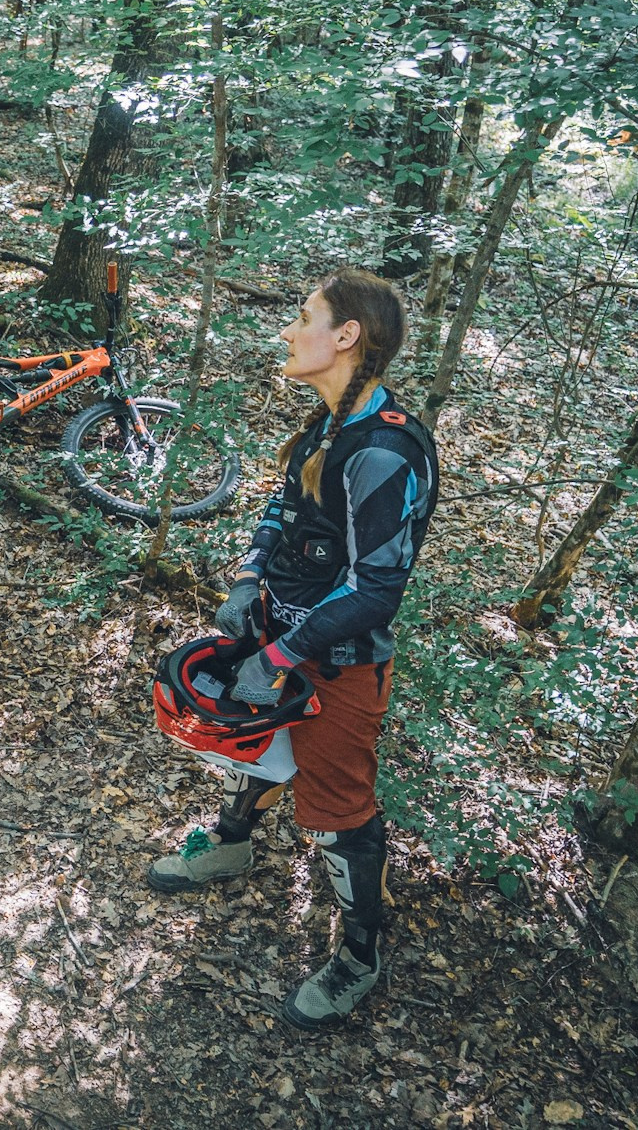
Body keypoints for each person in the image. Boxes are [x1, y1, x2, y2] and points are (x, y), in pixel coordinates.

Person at [144, 268, 438, 1031]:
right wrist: (248, 583)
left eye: (303, 316)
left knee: (339, 811)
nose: (287, 328)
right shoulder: (326, 421)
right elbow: (285, 505)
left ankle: (360, 954)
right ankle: (233, 843)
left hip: (339, 662)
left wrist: (278, 657)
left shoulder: (385, 450)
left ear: (346, 336)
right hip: (279, 631)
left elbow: (377, 588)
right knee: (257, 747)